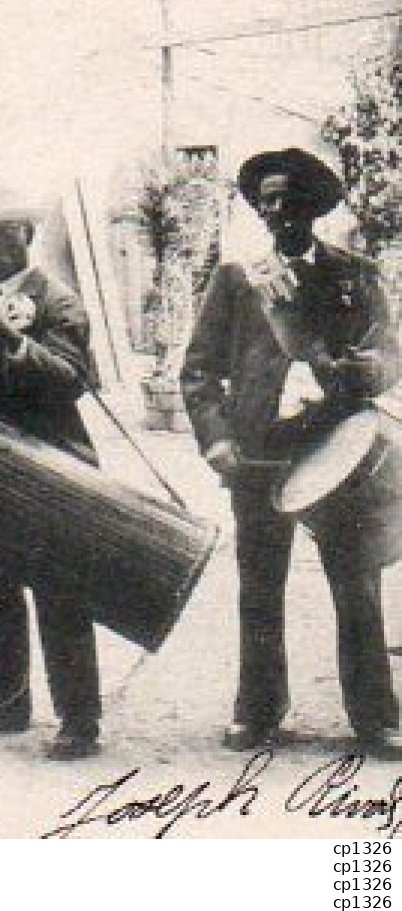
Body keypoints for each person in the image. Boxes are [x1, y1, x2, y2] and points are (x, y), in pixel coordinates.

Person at [182, 147, 401, 760]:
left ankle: (376, 718)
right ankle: (257, 711)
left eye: (287, 199)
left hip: (337, 448)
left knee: (355, 584)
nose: (276, 211)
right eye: (266, 201)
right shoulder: (237, 279)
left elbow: (390, 353)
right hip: (261, 454)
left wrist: (369, 368)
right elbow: (197, 371)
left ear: (312, 204)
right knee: (259, 587)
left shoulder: (353, 273)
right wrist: (218, 439)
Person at [0, 191, 104, 760]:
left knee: (61, 596)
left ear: (25, 237)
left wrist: (12, 339)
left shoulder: (58, 301)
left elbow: (71, 380)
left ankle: (80, 722)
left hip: (52, 468)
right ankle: (3, 707)